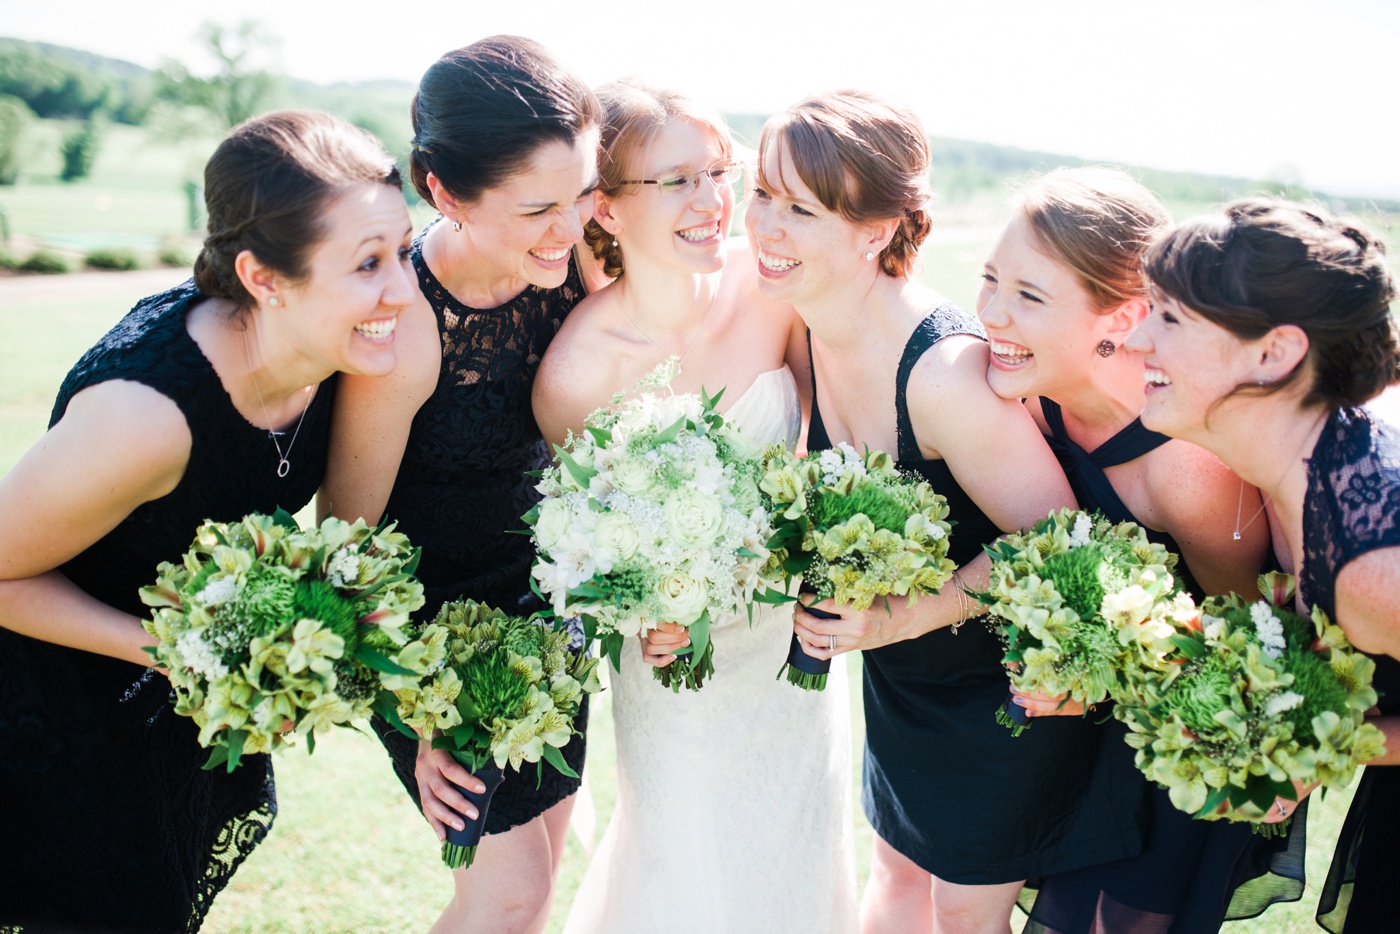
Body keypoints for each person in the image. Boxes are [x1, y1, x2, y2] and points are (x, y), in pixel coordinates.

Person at [0, 110, 416, 932]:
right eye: (368, 263)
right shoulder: (144, 421)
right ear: (264, 278)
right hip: (45, 710)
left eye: (404, 249)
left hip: (167, 716)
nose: (402, 288)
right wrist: (183, 649)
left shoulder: (341, 348)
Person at [745, 91, 1120, 934]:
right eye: (761, 193)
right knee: (898, 872)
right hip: (907, 685)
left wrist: (906, 615)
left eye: (799, 208)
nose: (765, 225)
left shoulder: (944, 373)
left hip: (1004, 692)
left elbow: (1062, 542)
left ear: (875, 230)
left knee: (963, 912)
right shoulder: (802, 325)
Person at [530, 79, 856, 933]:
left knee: (795, 856)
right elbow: (587, 548)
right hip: (675, 671)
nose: (713, 201)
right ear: (605, 208)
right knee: (689, 862)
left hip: (791, 657)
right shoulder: (576, 375)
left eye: (718, 171)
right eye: (675, 181)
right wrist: (645, 617)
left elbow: (824, 466)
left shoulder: (776, 294)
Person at [318, 36, 600, 934]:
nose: (571, 227)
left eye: (583, 194)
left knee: (539, 878)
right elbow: (343, 545)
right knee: (507, 897)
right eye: (538, 208)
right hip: (430, 641)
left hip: (550, 619)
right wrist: (413, 704)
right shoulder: (404, 332)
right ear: (444, 192)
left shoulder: (579, 267)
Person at [978, 168, 1305, 932]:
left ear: (1121, 318)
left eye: (1028, 296)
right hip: (1076, 747)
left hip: (1180, 747)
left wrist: (1102, 675)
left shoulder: (1186, 466)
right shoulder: (1024, 389)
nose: (991, 313)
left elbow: (1249, 647)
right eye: (990, 279)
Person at [1126, 198, 1400, 934]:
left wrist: (1325, 747)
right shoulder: (1265, 461)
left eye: (1170, 319)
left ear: (1275, 353)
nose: (1135, 336)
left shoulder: (1377, 566)